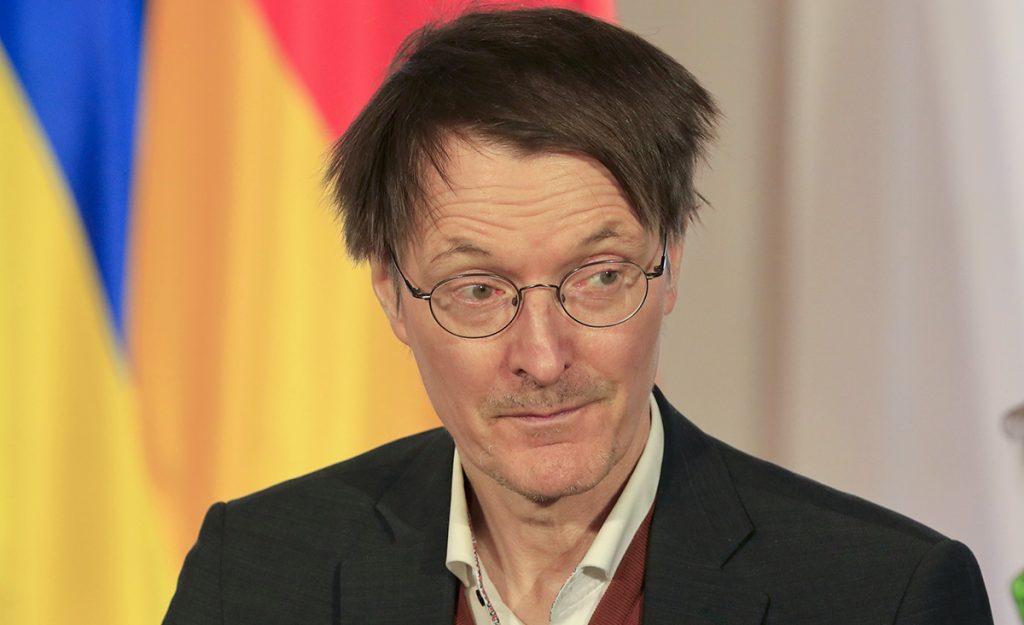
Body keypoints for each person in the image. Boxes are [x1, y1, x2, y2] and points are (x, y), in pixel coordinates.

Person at [163, 7, 993, 625]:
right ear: (391, 293)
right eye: (477, 289)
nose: (544, 356)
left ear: (670, 263)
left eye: (598, 277)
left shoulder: (883, 596)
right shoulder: (258, 574)